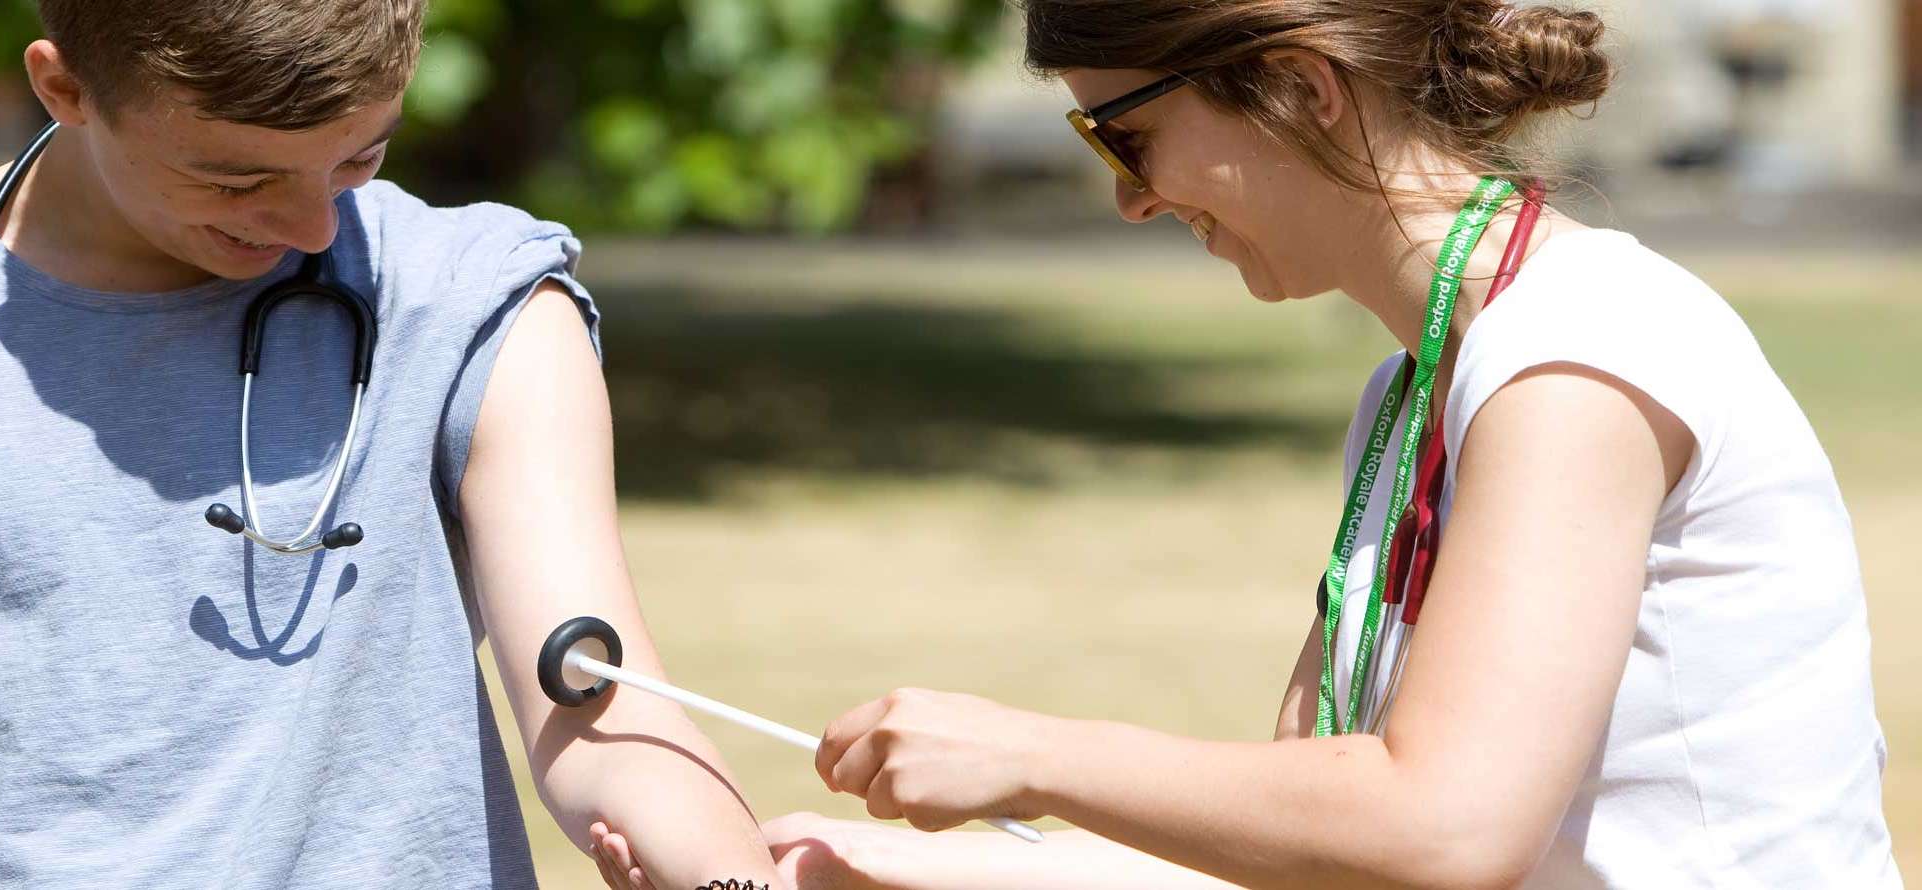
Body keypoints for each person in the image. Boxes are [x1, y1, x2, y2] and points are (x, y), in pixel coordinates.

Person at [588, 1, 1900, 887]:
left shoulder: (1579, 354)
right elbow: (1321, 851)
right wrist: (933, 868)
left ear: (1297, 88)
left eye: (1126, 133)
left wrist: (1029, 752)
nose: (1126, 197)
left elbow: (1448, 825)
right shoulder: (1415, 391)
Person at [0, 1, 783, 887]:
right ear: (64, 87)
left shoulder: (484, 303)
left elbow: (602, 706)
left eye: (361, 156)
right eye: (238, 177)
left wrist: (741, 880)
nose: (313, 223)